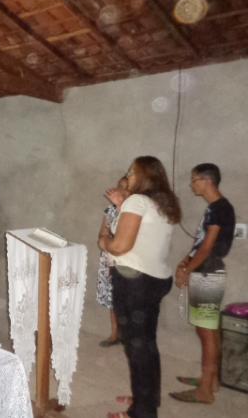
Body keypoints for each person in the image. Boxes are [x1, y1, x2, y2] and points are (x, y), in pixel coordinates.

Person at [98, 156, 181, 418]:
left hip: (134, 281)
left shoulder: (137, 201)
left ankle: (142, 411)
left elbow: (120, 246)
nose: (128, 176)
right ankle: (146, 399)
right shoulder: (161, 204)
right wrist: (121, 205)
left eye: (132, 173)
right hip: (154, 279)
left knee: (136, 347)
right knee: (146, 344)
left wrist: (104, 243)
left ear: (144, 176)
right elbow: (144, 235)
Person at [170, 163, 235, 404]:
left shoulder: (220, 208)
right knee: (206, 329)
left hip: (208, 273)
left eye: (194, 179)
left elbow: (207, 248)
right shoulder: (214, 208)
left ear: (207, 180)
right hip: (205, 270)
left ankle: (205, 391)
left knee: (206, 332)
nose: (191, 184)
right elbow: (199, 244)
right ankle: (212, 380)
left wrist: (187, 269)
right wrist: (185, 261)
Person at [96, 176, 129, 347]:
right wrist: (109, 243)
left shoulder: (133, 210)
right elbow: (102, 234)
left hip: (129, 260)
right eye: (119, 186)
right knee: (113, 297)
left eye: (126, 187)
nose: (121, 190)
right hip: (110, 256)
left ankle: (130, 335)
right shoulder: (110, 210)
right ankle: (115, 333)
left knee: (129, 298)